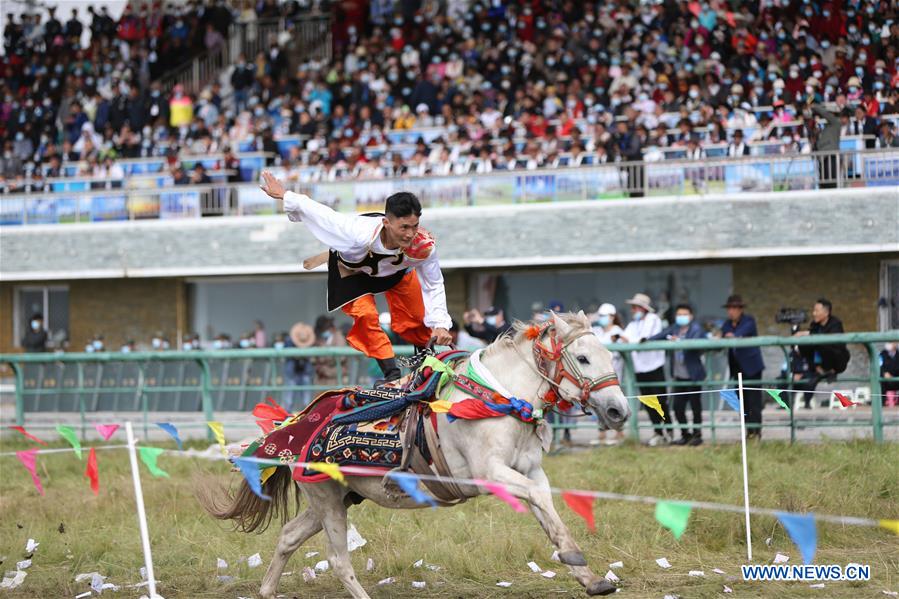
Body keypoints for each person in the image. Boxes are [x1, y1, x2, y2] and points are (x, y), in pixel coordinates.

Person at [259, 171, 452, 383]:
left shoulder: (422, 247)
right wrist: (285, 195)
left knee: (417, 313)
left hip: (394, 274)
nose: (409, 234)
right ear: (386, 222)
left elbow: (433, 284)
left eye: (414, 226)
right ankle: (391, 374)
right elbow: (322, 213)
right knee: (365, 316)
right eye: (403, 227)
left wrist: (440, 323)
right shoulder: (356, 234)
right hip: (352, 273)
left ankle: (424, 361)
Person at [648, 304, 706, 446]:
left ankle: (697, 435)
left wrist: (679, 341)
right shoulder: (674, 328)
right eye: (679, 314)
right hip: (679, 377)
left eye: (684, 314)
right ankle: (685, 434)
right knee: (678, 407)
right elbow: (661, 335)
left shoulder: (696, 329)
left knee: (695, 407)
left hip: (693, 376)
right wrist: (647, 340)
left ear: (691, 316)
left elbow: (697, 343)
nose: (681, 317)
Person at [620, 293, 670, 446]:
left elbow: (645, 339)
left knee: (661, 401)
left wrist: (630, 341)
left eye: (635, 307)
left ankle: (668, 430)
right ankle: (658, 432)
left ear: (643, 308)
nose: (633, 310)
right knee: (648, 402)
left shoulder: (653, 319)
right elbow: (624, 337)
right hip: (639, 368)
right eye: (632, 307)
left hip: (654, 366)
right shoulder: (633, 323)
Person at [720, 295, 765, 439]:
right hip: (736, 368)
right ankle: (748, 431)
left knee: (754, 401)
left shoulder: (749, 321)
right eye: (729, 308)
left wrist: (731, 336)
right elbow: (722, 336)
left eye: (734, 308)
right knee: (741, 402)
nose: (731, 311)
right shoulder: (726, 324)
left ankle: (756, 432)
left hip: (752, 368)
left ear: (740, 309)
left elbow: (739, 334)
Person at [792, 298, 850, 409]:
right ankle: (817, 372)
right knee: (804, 345)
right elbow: (811, 335)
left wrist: (808, 334)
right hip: (818, 363)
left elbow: (834, 343)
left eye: (817, 311)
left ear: (826, 312)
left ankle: (830, 371)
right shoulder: (815, 324)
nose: (814, 314)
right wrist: (801, 335)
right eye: (814, 311)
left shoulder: (835, 324)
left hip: (836, 361)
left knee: (824, 345)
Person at [591, 303, 625, 446]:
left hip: (614, 373)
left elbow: (624, 342)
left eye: (605, 316)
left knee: (615, 403)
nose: (603, 319)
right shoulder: (596, 330)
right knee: (598, 404)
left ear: (612, 317)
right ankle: (602, 434)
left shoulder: (617, 331)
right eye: (601, 316)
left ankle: (619, 433)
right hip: (598, 375)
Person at [807, 102, 841, 189]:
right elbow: (816, 145)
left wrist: (814, 106)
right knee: (823, 184)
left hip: (831, 157)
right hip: (822, 159)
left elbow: (825, 114)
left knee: (831, 183)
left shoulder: (836, 123)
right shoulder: (824, 129)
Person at [283, 322, 316, 411]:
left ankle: (306, 413)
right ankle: (287, 413)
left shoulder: (311, 343)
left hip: (305, 371)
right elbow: (286, 355)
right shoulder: (289, 342)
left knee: (307, 398)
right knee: (289, 398)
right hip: (292, 372)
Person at [880, 342, 899, 408]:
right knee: (879, 382)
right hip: (886, 380)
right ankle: (881, 404)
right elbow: (879, 366)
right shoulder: (882, 354)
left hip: (897, 379)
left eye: (891, 342)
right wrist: (884, 373)